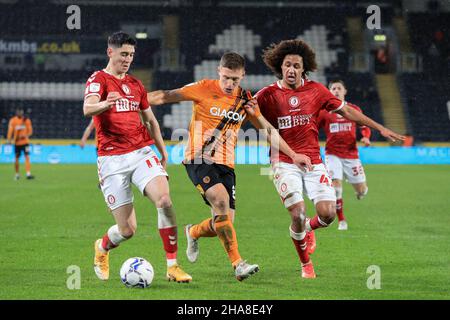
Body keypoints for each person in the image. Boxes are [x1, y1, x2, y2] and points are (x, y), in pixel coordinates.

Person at [147, 52, 312, 281]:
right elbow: (164, 97)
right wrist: (135, 101)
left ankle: (193, 231)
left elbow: (267, 129)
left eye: (234, 79)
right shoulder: (203, 87)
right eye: (226, 78)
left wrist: (293, 155)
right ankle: (238, 264)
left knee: (224, 224)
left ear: (243, 75)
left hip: (227, 164)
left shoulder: (245, 99)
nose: (229, 84)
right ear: (219, 71)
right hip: (198, 158)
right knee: (221, 202)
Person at [256, 40, 404, 278]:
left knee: (328, 214)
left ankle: (308, 229)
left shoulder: (316, 90)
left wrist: (380, 128)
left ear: (304, 68)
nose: (291, 70)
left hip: (314, 161)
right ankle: (306, 265)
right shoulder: (267, 95)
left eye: (296, 65)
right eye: (287, 65)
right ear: (279, 67)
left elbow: (347, 111)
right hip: (284, 161)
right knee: (297, 212)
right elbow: (245, 114)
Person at [84, 31, 192, 283]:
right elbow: (87, 108)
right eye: (123, 54)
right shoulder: (98, 79)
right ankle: (102, 247)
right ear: (110, 52)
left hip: (141, 151)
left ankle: (173, 266)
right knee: (127, 230)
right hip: (111, 160)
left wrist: (163, 151)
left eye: (131, 55)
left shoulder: (135, 85)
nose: (128, 59)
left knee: (164, 200)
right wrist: (105, 105)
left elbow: (151, 120)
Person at [317, 79, 372, 231]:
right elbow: (313, 128)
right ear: (329, 92)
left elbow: (364, 125)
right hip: (332, 154)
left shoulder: (353, 109)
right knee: (335, 186)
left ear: (344, 91)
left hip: (351, 155)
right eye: (333, 88)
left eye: (339, 88)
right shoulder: (325, 112)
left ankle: (360, 191)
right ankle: (342, 220)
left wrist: (366, 136)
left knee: (362, 190)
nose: (336, 91)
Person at [7, 108, 34, 180]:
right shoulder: (13, 120)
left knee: (27, 157)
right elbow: (10, 131)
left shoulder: (26, 120)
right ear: (16, 112)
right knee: (16, 158)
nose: (20, 113)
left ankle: (28, 174)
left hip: (25, 142)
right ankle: (17, 174)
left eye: (21, 112)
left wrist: (25, 136)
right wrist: (9, 140)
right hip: (17, 143)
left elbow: (30, 131)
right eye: (18, 112)